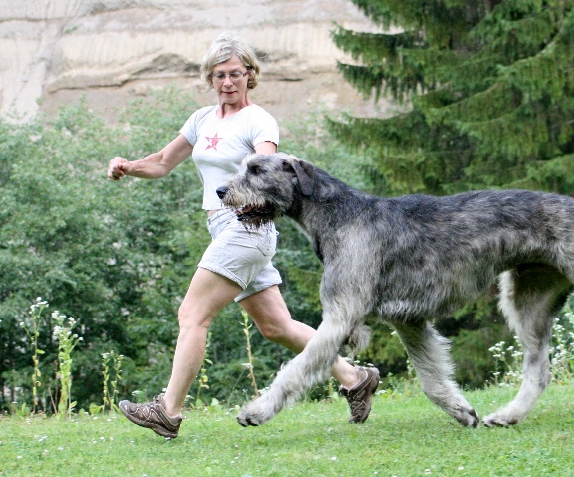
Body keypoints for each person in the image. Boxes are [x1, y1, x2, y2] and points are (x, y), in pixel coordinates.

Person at [107, 32, 379, 439]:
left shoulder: (259, 121)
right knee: (277, 326)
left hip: (246, 228)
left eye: (235, 73)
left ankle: (168, 411)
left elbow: (267, 168)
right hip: (222, 228)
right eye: (219, 75)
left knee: (192, 316)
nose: (228, 82)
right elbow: (162, 162)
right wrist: (129, 166)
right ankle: (355, 378)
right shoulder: (201, 119)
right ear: (209, 78)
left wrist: (255, 189)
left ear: (250, 74)